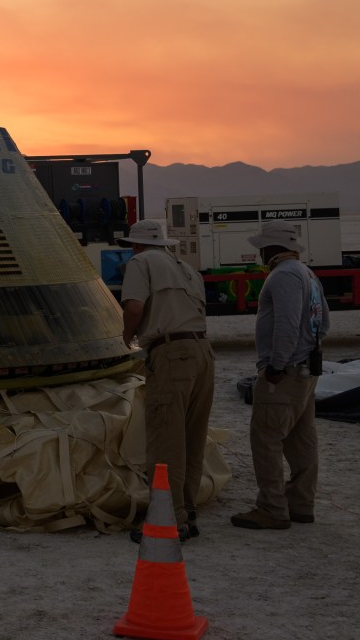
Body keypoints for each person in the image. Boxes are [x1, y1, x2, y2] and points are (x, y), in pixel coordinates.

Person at [118, 217, 215, 540]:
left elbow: (134, 307)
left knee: (165, 440)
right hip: (202, 352)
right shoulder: (187, 269)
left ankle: (167, 521)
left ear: (136, 244)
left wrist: (127, 337)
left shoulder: (140, 262)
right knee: (192, 437)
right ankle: (187, 511)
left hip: (171, 354)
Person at [233, 220, 328, 531]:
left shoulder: (283, 275)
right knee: (302, 440)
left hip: (285, 373)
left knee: (266, 439)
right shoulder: (308, 274)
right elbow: (323, 322)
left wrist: (276, 365)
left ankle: (272, 508)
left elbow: (286, 324)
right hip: (305, 370)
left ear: (270, 248)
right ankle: (301, 504)